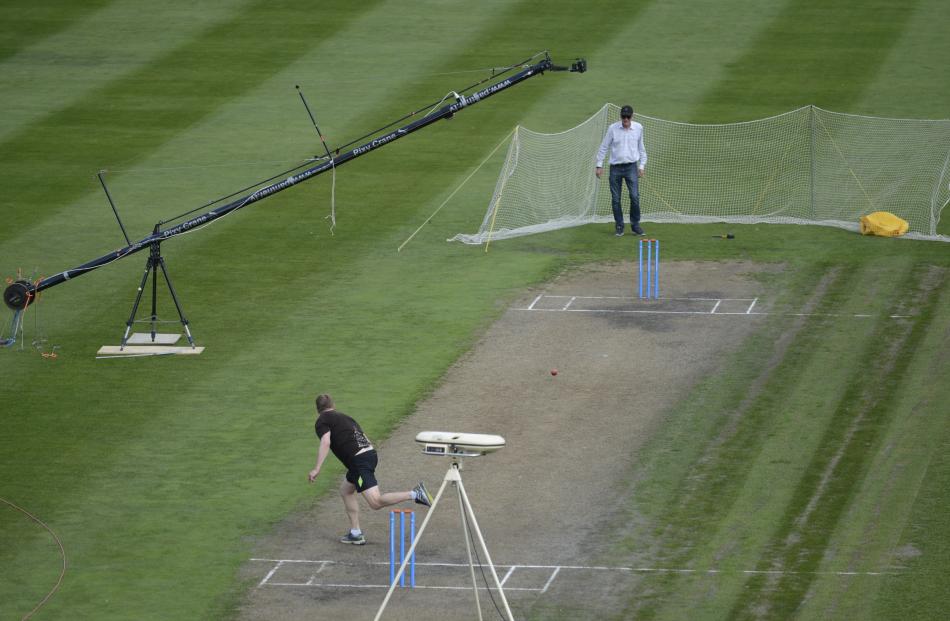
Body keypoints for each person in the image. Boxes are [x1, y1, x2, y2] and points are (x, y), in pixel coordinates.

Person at [308, 393, 431, 545]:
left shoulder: (322, 421)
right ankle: (355, 533)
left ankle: (415, 493)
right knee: (346, 491)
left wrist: (317, 468)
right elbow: (363, 437)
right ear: (333, 406)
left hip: (359, 462)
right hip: (368, 455)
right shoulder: (346, 417)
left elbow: (325, 442)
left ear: (318, 409)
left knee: (375, 502)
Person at [595, 104, 648, 237]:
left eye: (627, 116)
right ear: (620, 117)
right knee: (615, 199)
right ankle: (619, 226)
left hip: (631, 167)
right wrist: (599, 165)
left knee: (635, 196)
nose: (625, 119)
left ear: (632, 116)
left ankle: (635, 225)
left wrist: (641, 166)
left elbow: (641, 148)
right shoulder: (612, 128)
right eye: (623, 116)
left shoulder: (638, 128)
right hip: (615, 168)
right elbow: (604, 147)